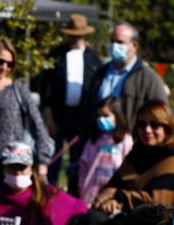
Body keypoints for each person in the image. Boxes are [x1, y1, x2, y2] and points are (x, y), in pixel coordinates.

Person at [14, 100, 174, 225]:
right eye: (142, 124)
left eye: (154, 125)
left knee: (93, 224)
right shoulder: (136, 154)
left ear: (167, 127)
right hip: (124, 219)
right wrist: (111, 199)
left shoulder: (169, 160)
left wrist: (120, 197)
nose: (147, 129)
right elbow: (109, 188)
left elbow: (159, 203)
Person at [0, 37, 51, 195]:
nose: (4, 67)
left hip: (15, 164)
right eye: (0, 61)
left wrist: (42, 161)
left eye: (10, 64)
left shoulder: (18, 90)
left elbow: (38, 125)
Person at [41, 14, 101, 190]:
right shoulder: (57, 55)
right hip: (59, 113)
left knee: (78, 157)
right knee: (55, 156)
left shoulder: (92, 58)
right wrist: (49, 117)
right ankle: (51, 190)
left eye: (77, 35)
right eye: (71, 35)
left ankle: (75, 192)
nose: (74, 39)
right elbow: (48, 89)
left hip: (81, 116)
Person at [82, 22, 167, 139]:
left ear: (134, 46)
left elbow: (161, 117)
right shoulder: (100, 74)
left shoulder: (148, 78)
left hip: (133, 148)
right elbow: (88, 109)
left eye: (120, 42)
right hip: (98, 146)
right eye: (112, 41)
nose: (114, 46)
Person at [78, 97, 133, 206]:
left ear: (117, 116)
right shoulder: (93, 140)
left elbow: (129, 169)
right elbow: (83, 165)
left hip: (114, 195)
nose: (101, 119)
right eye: (99, 115)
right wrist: (82, 185)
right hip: (90, 194)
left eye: (106, 116)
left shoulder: (125, 140)